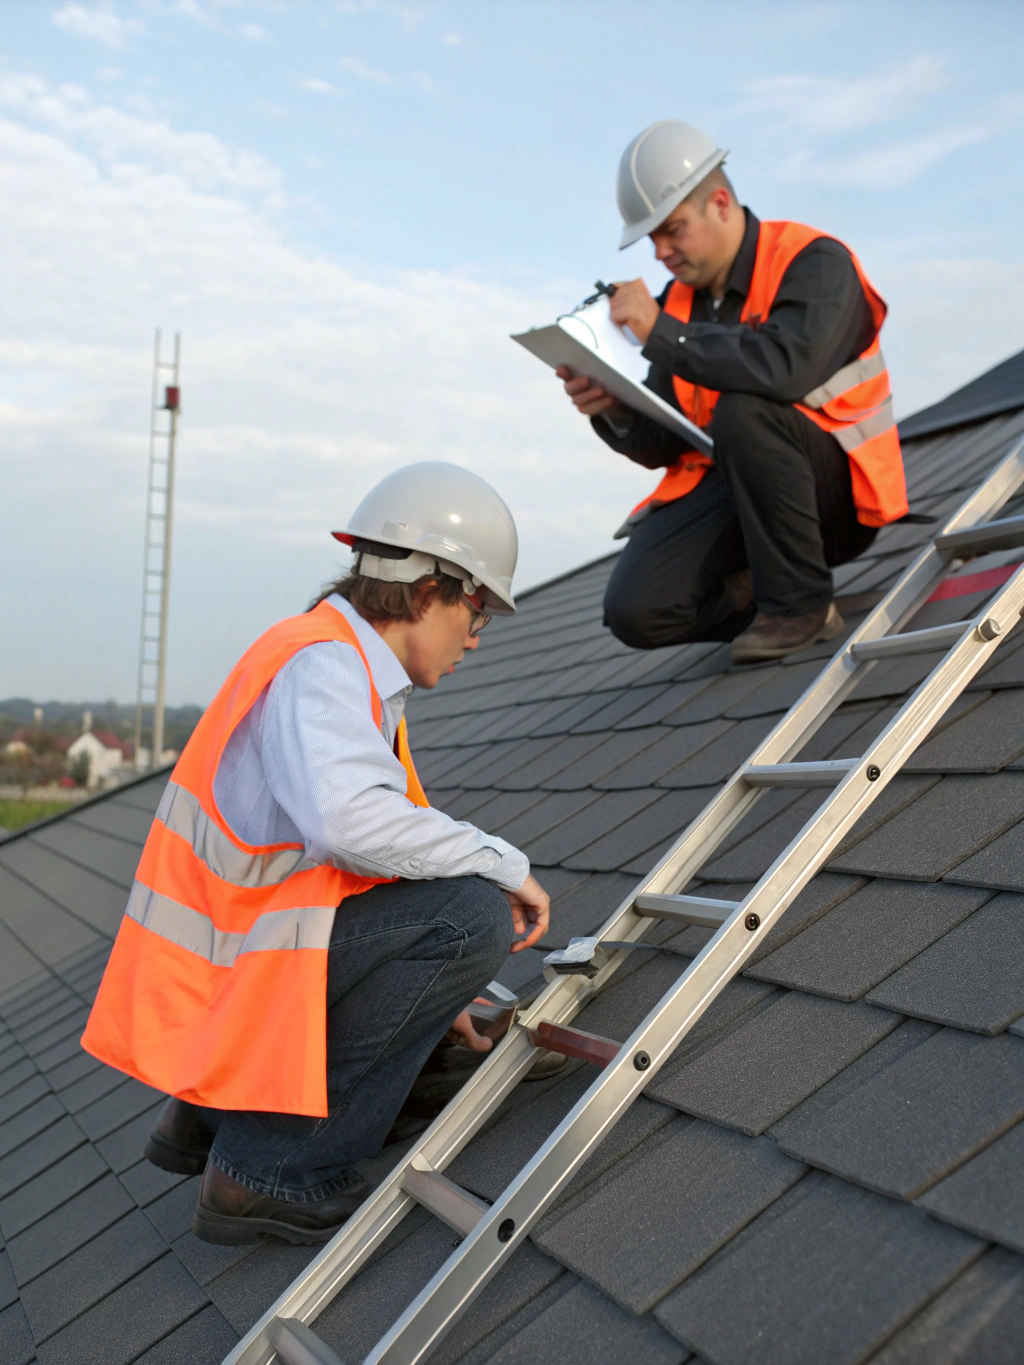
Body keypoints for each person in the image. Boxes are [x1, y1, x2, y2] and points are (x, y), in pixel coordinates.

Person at [81, 462, 550, 1246]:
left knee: (447, 902)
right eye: (477, 608)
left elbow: (350, 872)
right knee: (469, 917)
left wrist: (430, 1014)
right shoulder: (325, 668)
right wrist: (503, 860)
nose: (476, 634)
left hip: (231, 972)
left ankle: (217, 1111)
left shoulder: (332, 659)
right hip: (236, 974)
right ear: (430, 587)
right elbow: (349, 826)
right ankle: (265, 1168)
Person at [558, 119, 909, 664]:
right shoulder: (676, 303)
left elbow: (783, 368)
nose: (660, 253)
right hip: (747, 494)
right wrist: (615, 410)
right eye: (652, 238)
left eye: (672, 230)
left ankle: (799, 608)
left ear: (720, 203)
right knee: (638, 610)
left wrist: (661, 335)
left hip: (837, 503)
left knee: (746, 409)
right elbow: (666, 442)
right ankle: (765, 592)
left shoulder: (813, 262)